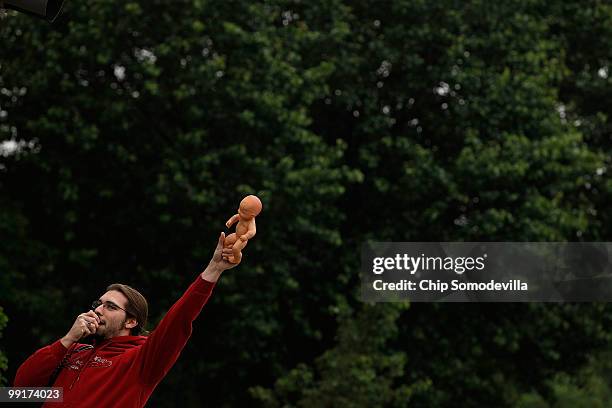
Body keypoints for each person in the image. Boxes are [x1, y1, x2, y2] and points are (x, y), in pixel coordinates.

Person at [14, 232, 237, 407]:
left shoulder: (140, 361)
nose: (99, 310)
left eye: (110, 307)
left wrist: (213, 270)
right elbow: (21, 390)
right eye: (99, 304)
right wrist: (67, 340)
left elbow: (177, 321)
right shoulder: (74, 352)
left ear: (131, 322)